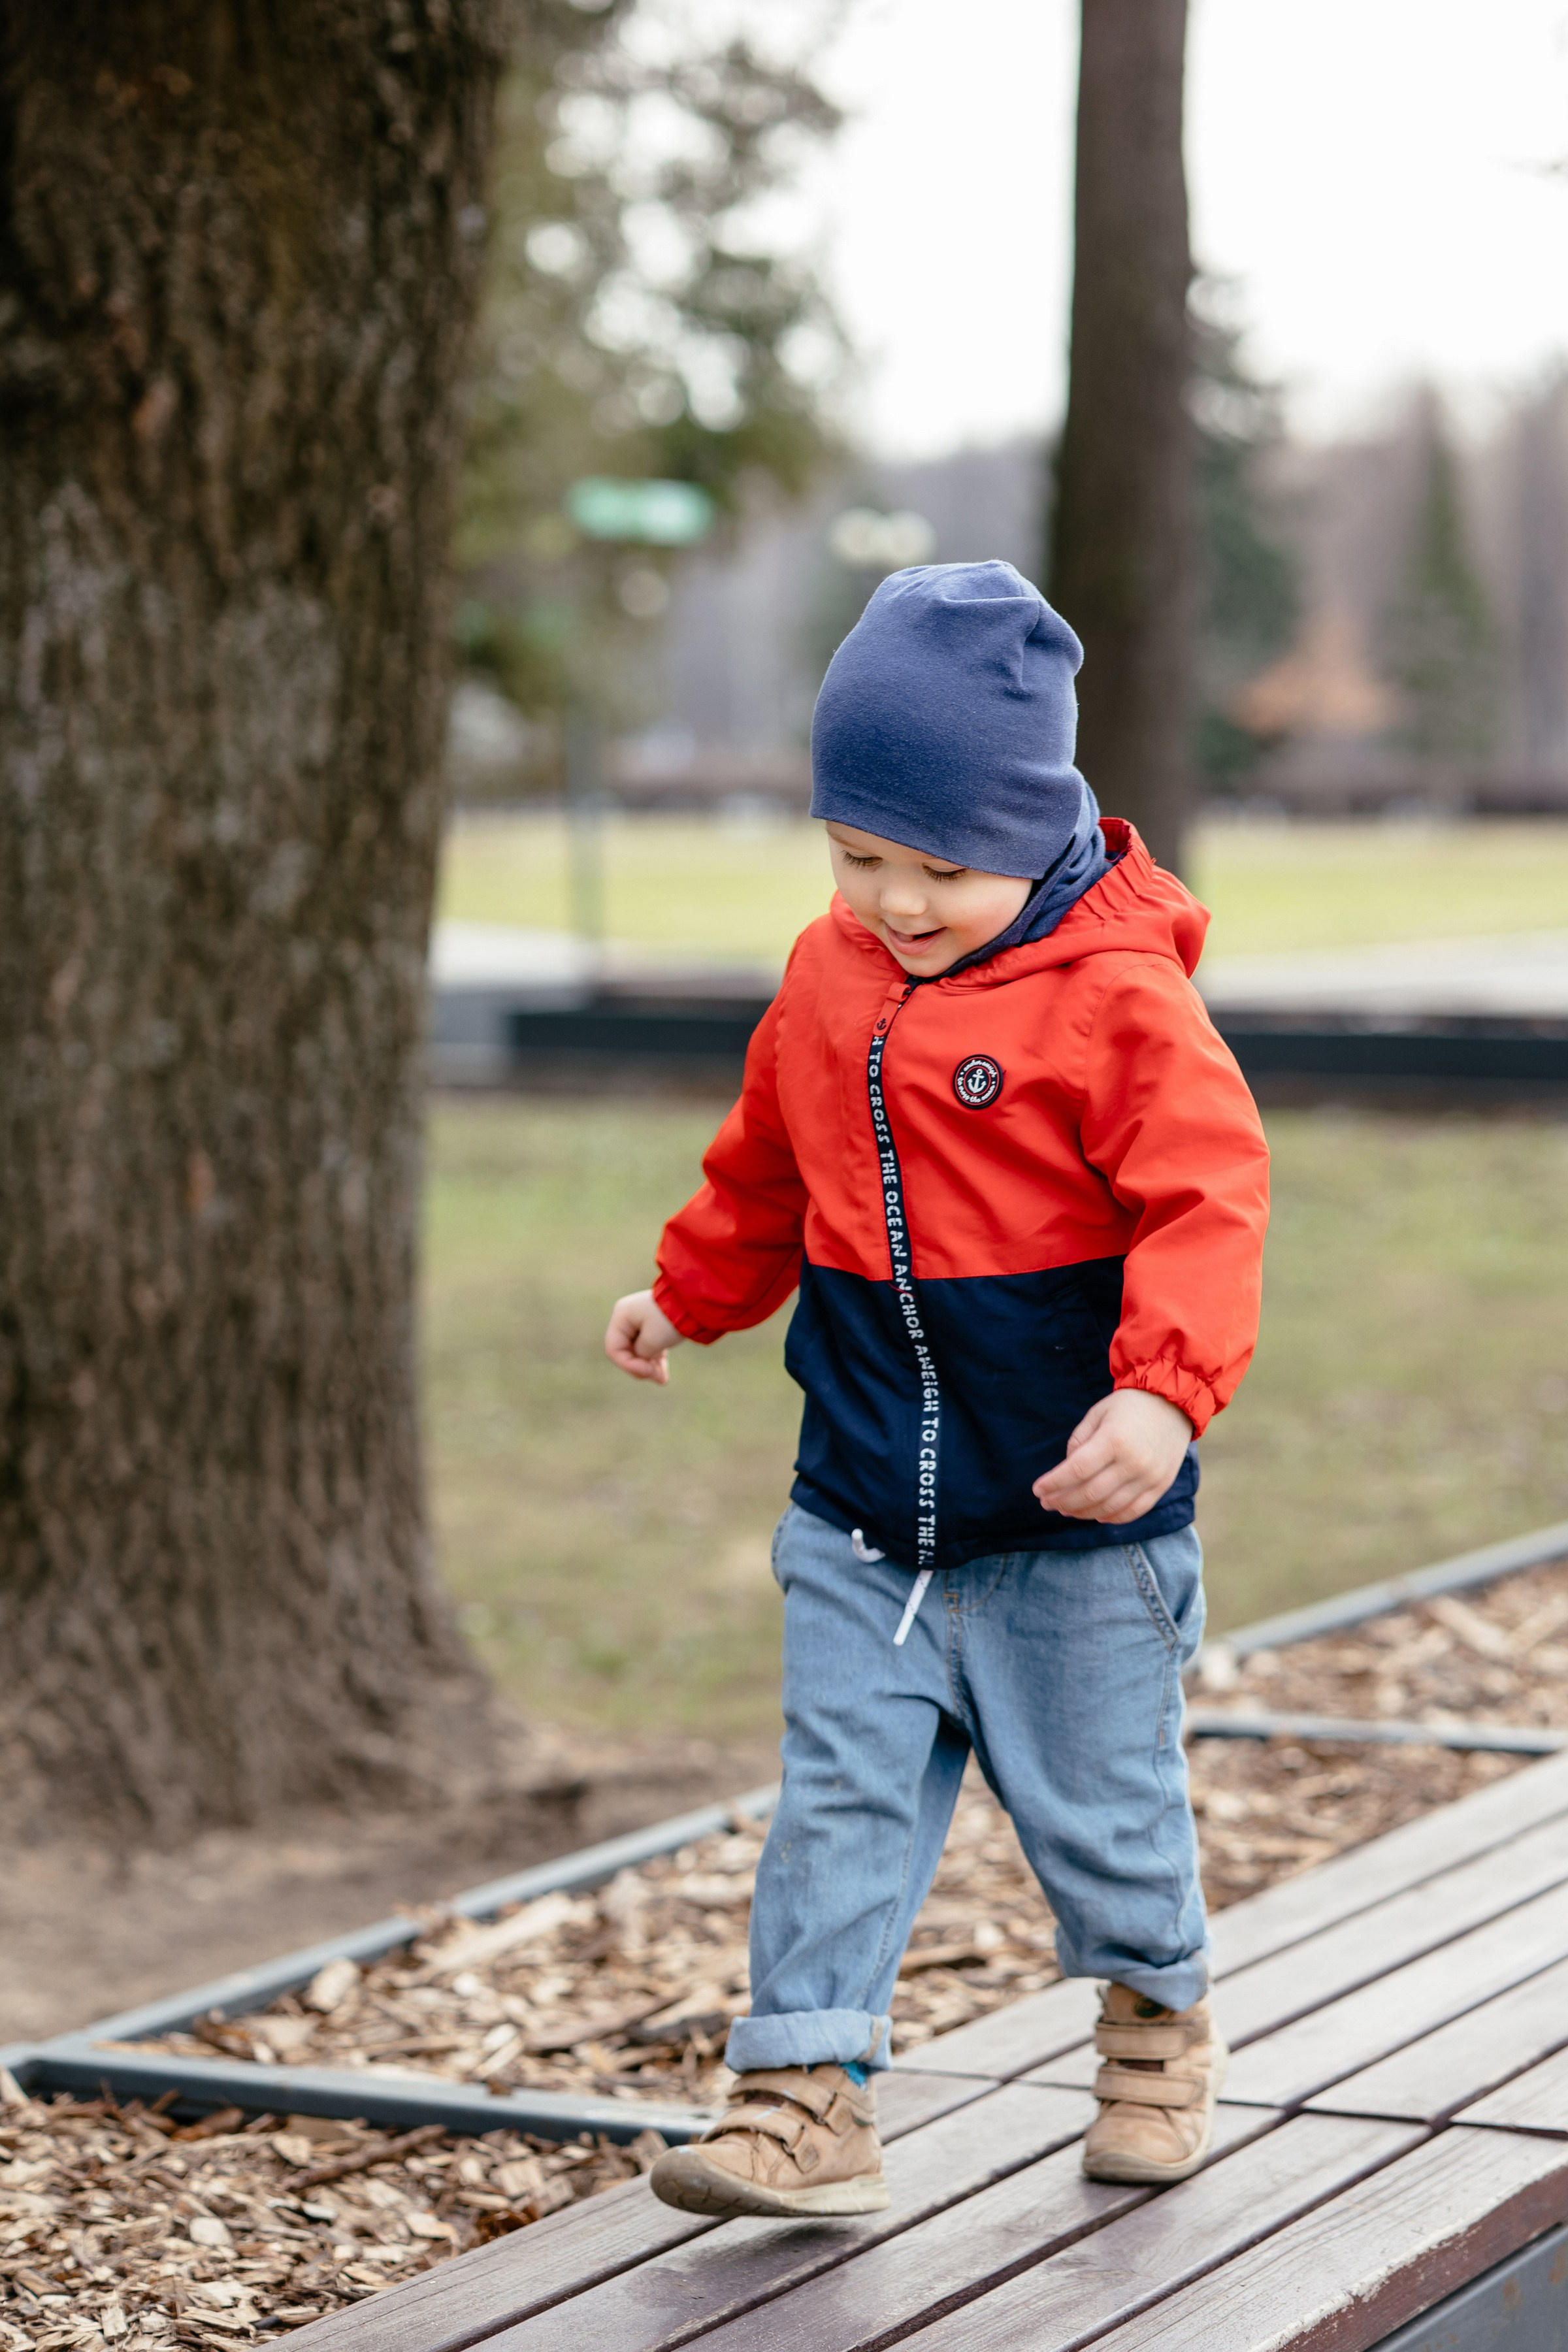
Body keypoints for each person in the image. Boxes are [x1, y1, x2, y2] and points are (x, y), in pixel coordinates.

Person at [604, 561, 1270, 2219]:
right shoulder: (829, 975)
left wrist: (1166, 1397)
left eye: (940, 868)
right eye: (856, 855)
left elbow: (1211, 1200)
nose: (894, 901)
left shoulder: (1119, 1001)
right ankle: (802, 2098)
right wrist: (689, 1291)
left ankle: (1156, 2021)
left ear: (1038, 828)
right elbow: (769, 1166)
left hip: (1069, 1517)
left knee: (1107, 1820)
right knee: (838, 1799)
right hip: (860, 1509)